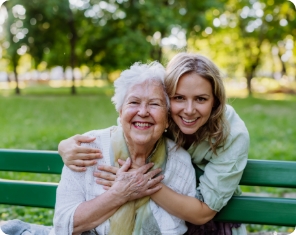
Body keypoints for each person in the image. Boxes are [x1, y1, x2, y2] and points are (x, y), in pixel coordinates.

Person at [59, 52, 249, 234]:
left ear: (215, 102)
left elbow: (203, 213)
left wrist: (138, 181)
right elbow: (132, 123)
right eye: (179, 98)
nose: (189, 110)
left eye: (201, 99)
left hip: (210, 222)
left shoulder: (233, 135)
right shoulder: (161, 116)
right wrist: (64, 146)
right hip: (173, 209)